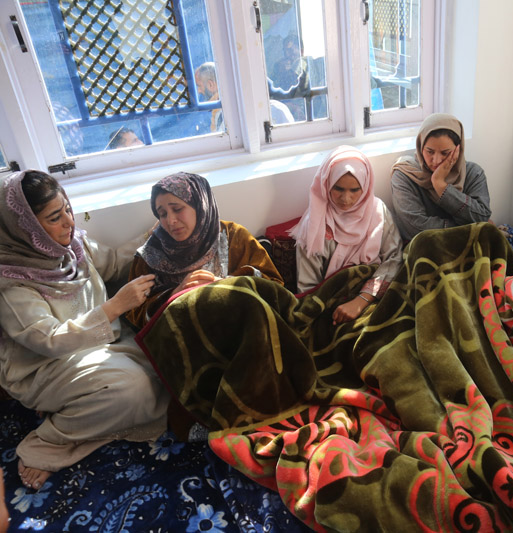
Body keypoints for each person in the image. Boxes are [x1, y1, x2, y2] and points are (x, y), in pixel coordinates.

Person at [0, 170, 169, 490]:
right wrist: (114, 307)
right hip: (44, 367)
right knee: (135, 389)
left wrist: (154, 236)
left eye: (67, 209)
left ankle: (78, 412)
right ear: (27, 228)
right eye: (54, 217)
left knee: (167, 364)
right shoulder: (11, 281)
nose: (69, 222)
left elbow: (115, 262)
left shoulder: (73, 247)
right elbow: (47, 339)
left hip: (101, 345)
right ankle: (48, 443)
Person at [126, 172, 283, 329]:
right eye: (163, 214)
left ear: (200, 204)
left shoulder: (233, 236)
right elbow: (135, 314)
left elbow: (275, 288)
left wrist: (224, 286)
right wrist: (175, 295)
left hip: (243, 329)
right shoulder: (149, 256)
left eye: (177, 209)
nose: (171, 220)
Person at [291, 146, 402, 324]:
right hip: (333, 310)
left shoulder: (378, 212)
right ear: (327, 184)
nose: (346, 199)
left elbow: (394, 258)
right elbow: (308, 289)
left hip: (374, 297)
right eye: (338, 188)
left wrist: (361, 300)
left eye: (355, 190)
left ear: (365, 186)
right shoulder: (315, 225)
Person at [391, 113, 492, 242]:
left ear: (458, 149)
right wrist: (473, 228)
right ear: (421, 147)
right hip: (426, 248)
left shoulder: (473, 173)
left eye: (445, 153)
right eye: (430, 151)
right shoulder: (405, 174)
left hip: (470, 244)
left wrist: (441, 186)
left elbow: (481, 217)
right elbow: (416, 229)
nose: (436, 160)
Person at [194, 62, 224, 132]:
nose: (198, 91)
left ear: (210, 85)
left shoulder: (221, 114)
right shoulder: (219, 110)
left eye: (199, 86)